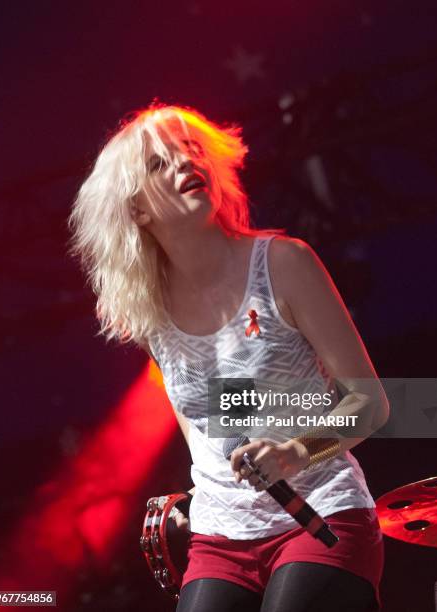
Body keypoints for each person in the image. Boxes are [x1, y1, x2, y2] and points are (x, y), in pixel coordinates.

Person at [68, 102, 390, 612]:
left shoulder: (285, 264)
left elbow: (370, 406)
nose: (185, 164)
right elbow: (207, 421)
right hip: (220, 540)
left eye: (193, 150)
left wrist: (293, 452)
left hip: (321, 515)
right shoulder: (148, 314)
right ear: (137, 210)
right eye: (159, 163)